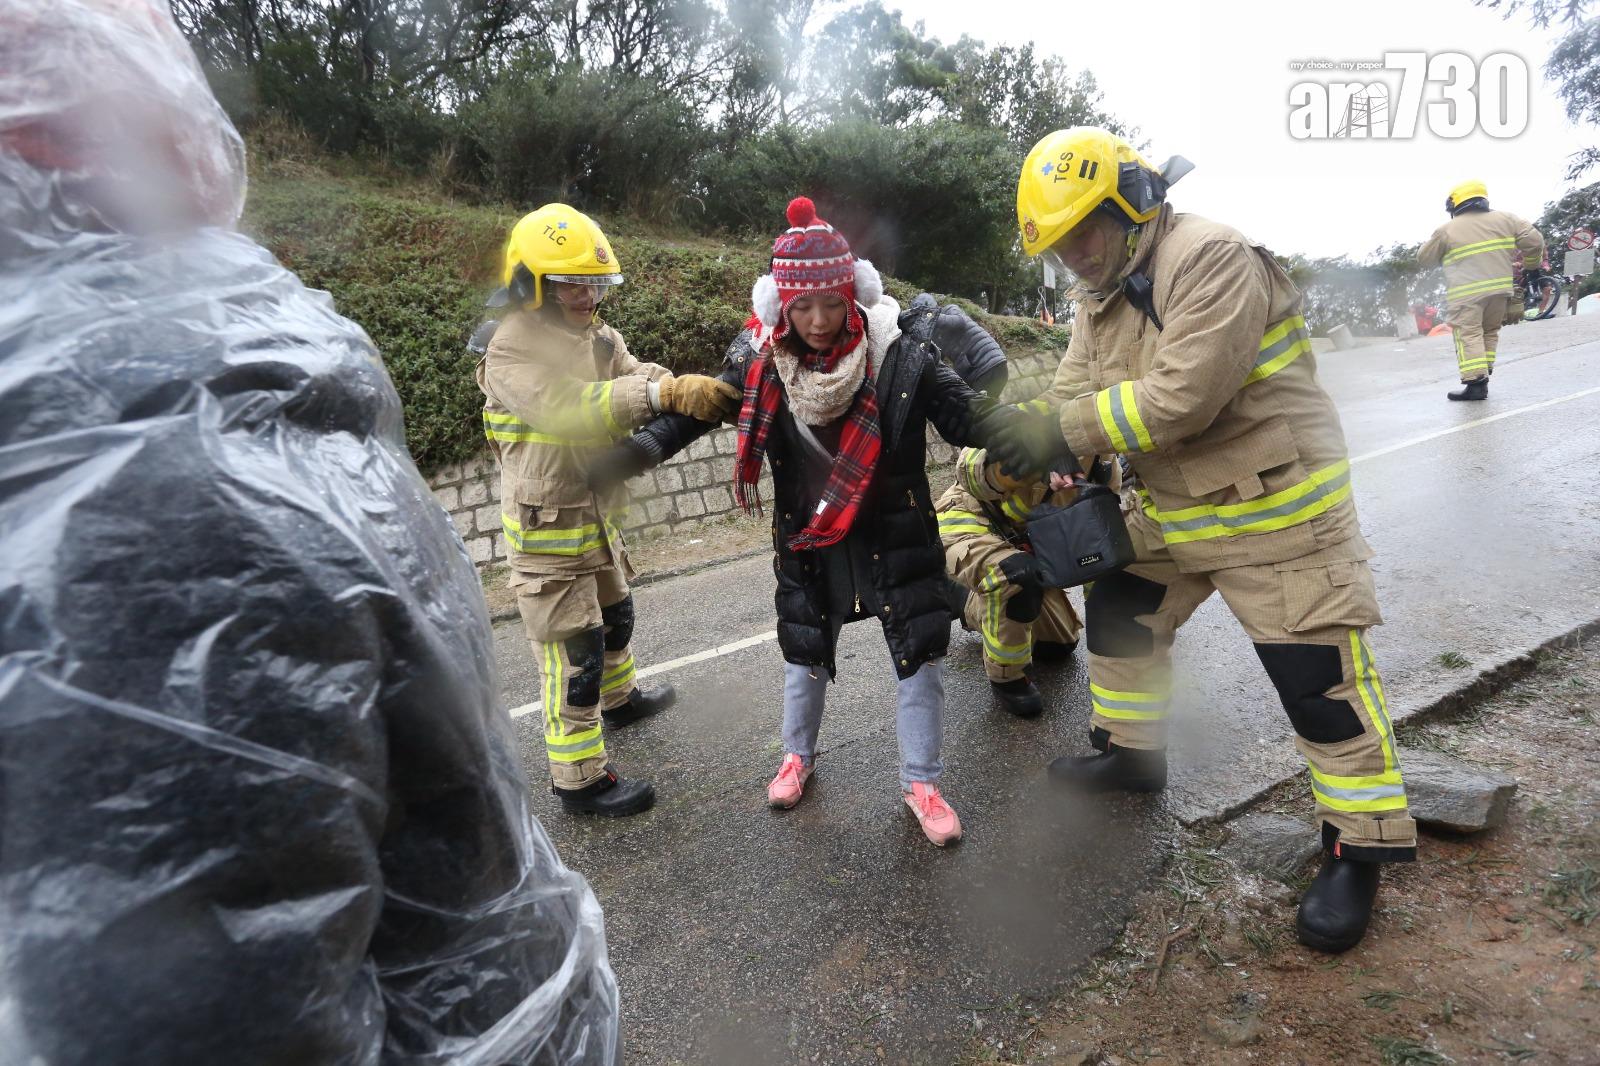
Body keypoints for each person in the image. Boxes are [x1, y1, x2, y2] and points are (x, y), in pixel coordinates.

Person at [0, 1, 617, 1062]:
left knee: (602, 651)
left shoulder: (152, 424)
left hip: (484, 989)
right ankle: (588, 776)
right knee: (574, 668)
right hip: (484, 1003)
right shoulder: (165, 462)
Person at [987, 127, 1415, 953]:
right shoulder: (1103, 287)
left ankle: (1358, 847)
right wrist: (1033, 431)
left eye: (1083, 232)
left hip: (1278, 511)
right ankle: (1132, 756)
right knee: (1119, 609)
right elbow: (1081, 385)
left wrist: (1063, 430)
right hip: (1176, 509)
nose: (1073, 256)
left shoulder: (1212, 256)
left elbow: (1185, 395)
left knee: (1317, 685)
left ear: (1128, 206)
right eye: (1060, 243)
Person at [592, 197, 1014, 846]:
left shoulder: (901, 356)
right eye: (802, 307)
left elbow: (971, 420)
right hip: (810, 541)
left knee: (919, 660)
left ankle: (922, 784)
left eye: (831, 304)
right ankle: (798, 758)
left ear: (854, 297)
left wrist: (1045, 444)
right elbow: (695, 413)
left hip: (894, 534)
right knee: (805, 657)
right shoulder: (762, 364)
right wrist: (630, 455)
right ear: (781, 308)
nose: (818, 321)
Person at [476, 205, 741, 816]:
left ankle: (622, 703)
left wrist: (680, 383)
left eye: (595, 282)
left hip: (592, 520)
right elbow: (572, 407)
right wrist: (660, 395)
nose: (587, 293)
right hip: (548, 532)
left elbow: (630, 372)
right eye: (571, 282)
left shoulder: (597, 336)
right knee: (578, 655)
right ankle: (579, 780)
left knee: (616, 618)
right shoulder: (510, 348)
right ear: (530, 284)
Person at [936, 446, 1084, 717]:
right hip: (967, 522)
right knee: (1015, 575)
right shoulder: (1019, 409)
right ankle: (1007, 678)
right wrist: (1035, 458)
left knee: (1058, 648)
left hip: (1024, 539)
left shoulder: (1098, 445)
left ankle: (969, 598)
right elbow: (969, 471)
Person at [1417, 181, 1545, 400]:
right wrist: (1532, 267)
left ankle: (1476, 385)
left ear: (1455, 204)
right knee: (1489, 331)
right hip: (1501, 290)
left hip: (1466, 295)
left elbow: (1424, 259)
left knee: (1468, 334)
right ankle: (1483, 375)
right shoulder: (1508, 219)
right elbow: (1535, 241)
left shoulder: (1447, 230)